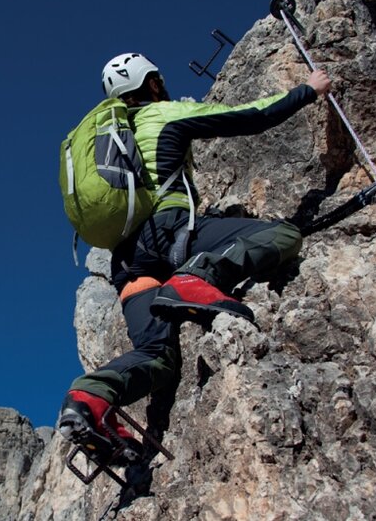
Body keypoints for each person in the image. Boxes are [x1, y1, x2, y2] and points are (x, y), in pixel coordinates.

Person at [57, 53, 331, 460]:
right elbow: (250, 116)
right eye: (157, 80)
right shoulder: (164, 114)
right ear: (151, 84)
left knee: (157, 356)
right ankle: (198, 278)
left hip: (128, 264)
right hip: (171, 232)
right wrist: (309, 89)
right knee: (283, 234)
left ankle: (91, 396)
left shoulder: (108, 141)